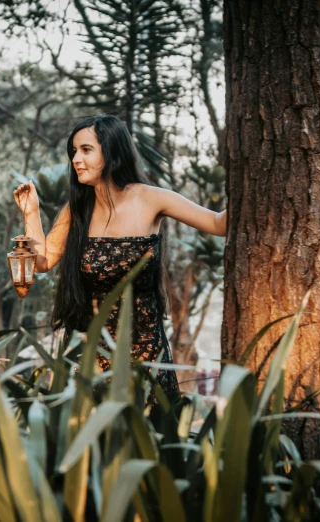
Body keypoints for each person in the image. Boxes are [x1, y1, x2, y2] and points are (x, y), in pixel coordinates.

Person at [12, 114, 227, 401]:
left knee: (143, 439)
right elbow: (42, 261)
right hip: (86, 354)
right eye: (73, 151)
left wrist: (249, 174)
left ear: (112, 153)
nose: (76, 159)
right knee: (86, 443)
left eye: (86, 150)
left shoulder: (152, 199)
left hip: (143, 354)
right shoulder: (77, 209)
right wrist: (31, 213)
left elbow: (218, 224)